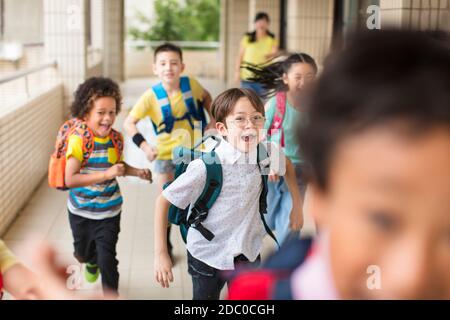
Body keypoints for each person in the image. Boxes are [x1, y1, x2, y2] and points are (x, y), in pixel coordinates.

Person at [228, 29, 450, 299]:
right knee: (275, 212)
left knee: (287, 219)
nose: (413, 278)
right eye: (382, 219)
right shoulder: (259, 295)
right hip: (278, 169)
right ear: (323, 199)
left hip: (302, 170)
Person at [153, 88, 302, 300]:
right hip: (207, 255)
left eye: (256, 118)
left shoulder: (266, 151)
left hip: (248, 251)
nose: (250, 125)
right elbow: (163, 201)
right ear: (222, 128)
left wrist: (296, 205)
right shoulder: (205, 167)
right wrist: (161, 253)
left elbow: (287, 163)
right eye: (240, 119)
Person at [124, 43, 213, 258]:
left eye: (173, 63)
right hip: (165, 157)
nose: (168, 68)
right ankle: (165, 246)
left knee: (199, 200)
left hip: (195, 154)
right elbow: (129, 123)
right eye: (163, 63)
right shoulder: (150, 96)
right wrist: (145, 146)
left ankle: (199, 242)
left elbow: (208, 98)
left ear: (182, 66)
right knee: (166, 202)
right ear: (155, 68)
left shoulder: (191, 85)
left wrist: (214, 121)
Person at [64, 77, 152, 297]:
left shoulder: (115, 139)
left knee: (108, 258)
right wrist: (105, 174)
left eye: (112, 112)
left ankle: (111, 294)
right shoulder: (79, 140)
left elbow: (117, 167)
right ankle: (89, 262)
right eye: (101, 112)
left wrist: (137, 172)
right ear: (85, 113)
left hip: (109, 210)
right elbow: (70, 179)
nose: (108, 118)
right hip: (80, 211)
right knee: (82, 254)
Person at [244, 53, 318, 244]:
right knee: (266, 219)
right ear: (285, 78)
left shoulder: (317, 106)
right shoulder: (275, 105)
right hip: (274, 172)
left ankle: (284, 263)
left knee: (290, 223)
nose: (303, 83)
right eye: (298, 77)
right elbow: (257, 135)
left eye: (309, 78)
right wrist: (267, 162)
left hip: (300, 172)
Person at [235, 12, 279, 96]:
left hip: (263, 78)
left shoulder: (272, 39)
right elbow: (240, 56)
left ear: (268, 24)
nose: (261, 24)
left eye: (264, 21)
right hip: (247, 77)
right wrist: (237, 72)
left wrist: (271, 55)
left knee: (262, 104)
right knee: (248, 101)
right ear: (255, 23)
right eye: (259, 21)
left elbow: (274, 55)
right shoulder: (247, 38)